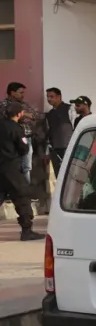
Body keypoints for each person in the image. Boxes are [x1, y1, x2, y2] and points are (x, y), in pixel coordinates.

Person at [1, 102, 42, 241]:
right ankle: (27, 230)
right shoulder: (16, 128)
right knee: (22, 197)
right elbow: (23, 148)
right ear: (19, 114)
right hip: (11, 168)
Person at [0, 82, 34, 183]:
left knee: (26, 167)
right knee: (11, 166)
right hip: (9, 140)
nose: (23, 95)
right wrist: (24, 115)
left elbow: (35, 116)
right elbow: (7, 118)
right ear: (12, 93)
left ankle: (25, 189)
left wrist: (26, 115)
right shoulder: (3, 104)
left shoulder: (24, 104)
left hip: (26, 138)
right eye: (21, 92)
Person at [44, 87, 74, 176]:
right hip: (55, 150)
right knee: (59, 175)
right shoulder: (49, 114)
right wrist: (47, 152)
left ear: (59, 97)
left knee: (70, 174)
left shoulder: (70, 109)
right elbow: (49, 134)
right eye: (47, 97)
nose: (49, 99)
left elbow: (75, 127)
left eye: (51, 96)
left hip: (69, 148)